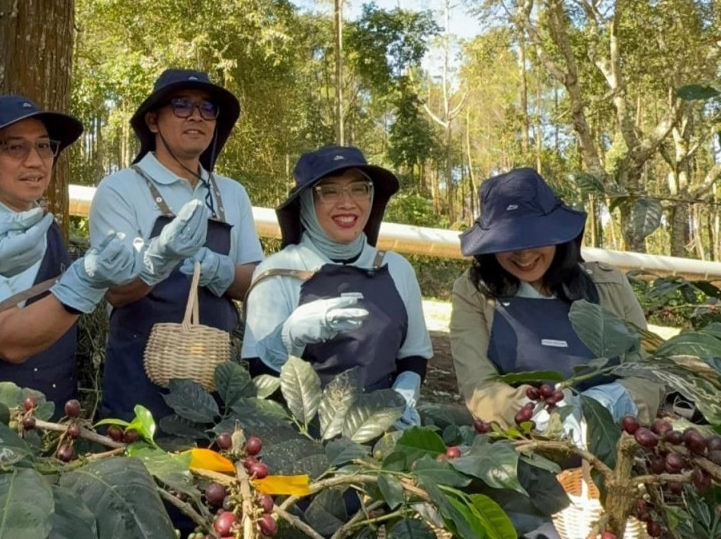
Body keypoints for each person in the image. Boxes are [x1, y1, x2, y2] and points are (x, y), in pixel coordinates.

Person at [0, 95, 142, 410]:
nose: (35, 161)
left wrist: (151, 264)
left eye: (44, 146)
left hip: (51, 417)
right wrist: (85, 284)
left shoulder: (42, 225)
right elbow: (8, 341)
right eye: (15, 147)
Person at [89, 69, 264, 420]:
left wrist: (219, 269)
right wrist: (160, 258)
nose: (196, 116)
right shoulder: (120, 189)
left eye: (207, 108)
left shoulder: (232, 193)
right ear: (152, 121)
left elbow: (256, 284)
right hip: (137, 382)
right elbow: (116, 291)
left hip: (213, 378)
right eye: (182, 105)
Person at [450, 168, 662, 432]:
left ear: (559, 236)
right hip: (518, 447)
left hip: (611, 447)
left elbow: (649, 372)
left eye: (535, 238)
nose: (523, 254)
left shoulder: (609, 285)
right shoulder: (474, 293)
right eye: (508, 242)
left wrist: (607, 404)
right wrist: (539, 417)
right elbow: (478, 385)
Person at [242, 145, 432, 427]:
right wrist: (287, 338)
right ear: (305, 201)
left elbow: (413, 354)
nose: (347, 202)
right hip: (301, 438)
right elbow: (258, 379)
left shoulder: (397, 268)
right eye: (329, 191)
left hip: (387, 430)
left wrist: (404, 393)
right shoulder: (277, 273)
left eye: (359, 189)